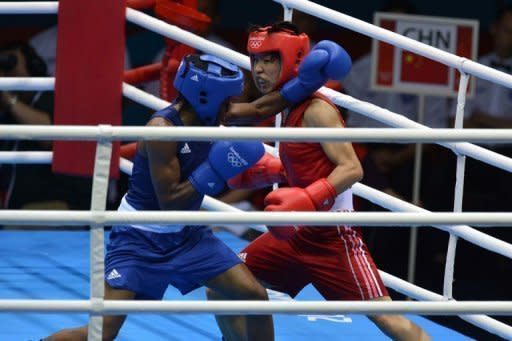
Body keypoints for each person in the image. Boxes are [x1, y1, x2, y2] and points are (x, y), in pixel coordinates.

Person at [211, 21, 430, 341]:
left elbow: (352, 168)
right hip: (294, 235)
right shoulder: (285, 105)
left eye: (269, 60)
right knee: (222, 285)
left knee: (387, 319)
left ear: (293, 59)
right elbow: (306, 159)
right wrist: (275, 170)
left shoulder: (316, 109)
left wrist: (310, 198)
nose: (259, 69)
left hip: (332, 238)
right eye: (256, 60)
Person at [43, 54, 274, 341]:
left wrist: (304, 83)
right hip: (140, 238)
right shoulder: (162, 131)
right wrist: (214, 169)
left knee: (254, 296)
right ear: (206, 98)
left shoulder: (212, 113)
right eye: (226, 100)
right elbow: (169, 202)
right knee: (101, 334)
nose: (231, 107)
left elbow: (258, 108)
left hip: (187, 236)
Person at [0, 41, 92, 212]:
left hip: (57, 204)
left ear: (33, 65)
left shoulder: (52, 97)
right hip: (19, 210)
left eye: (12, 62)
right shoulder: (10, 111)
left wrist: (6, 97)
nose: (8, 70)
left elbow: (48, 135)